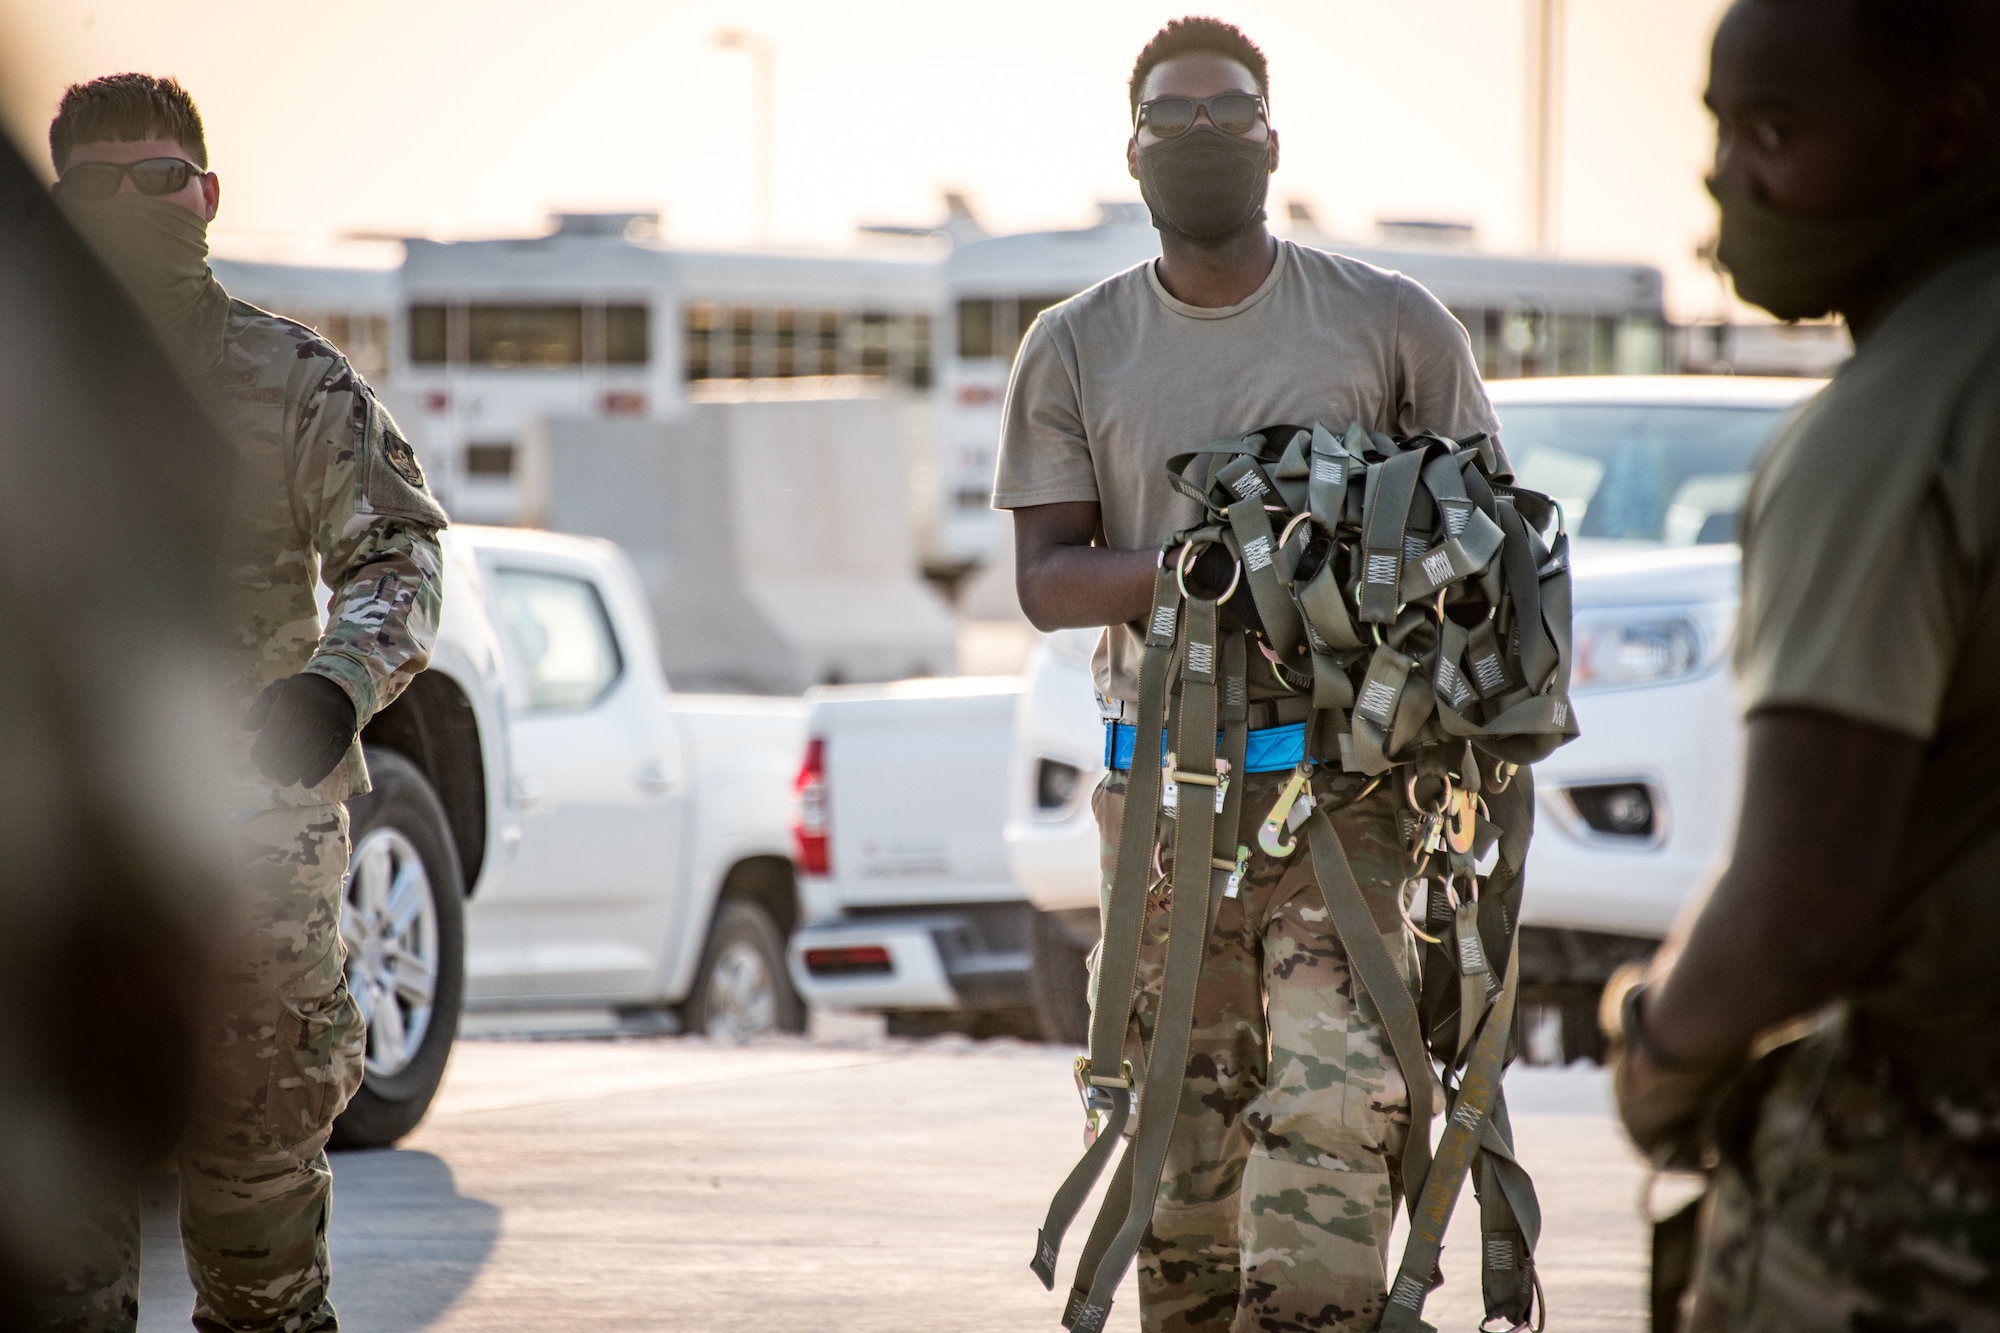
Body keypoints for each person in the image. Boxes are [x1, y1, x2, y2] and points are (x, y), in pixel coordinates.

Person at [995, 18, 1500, 1330]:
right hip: (1167, 805)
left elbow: (1489, 544)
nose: (1204, 142)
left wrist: (1355, 573)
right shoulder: (1076, 344)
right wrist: (1209, 565)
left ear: (1274, 142)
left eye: (1230, 118)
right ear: (1135, 150)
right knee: (1181, 1149)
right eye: (1177, 121)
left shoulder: (1392, 324)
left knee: (1338, 1115)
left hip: (1352, 799)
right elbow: (1048, 579)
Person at [1610, 1, 2000, 1328]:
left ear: (1945, 132)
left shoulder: (1893, 428)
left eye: (1774, 132)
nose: (1729, 177)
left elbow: (1800, 908)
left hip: (1942, 1171)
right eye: (1719, 129)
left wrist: (1658, 1047)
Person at [38, 74, 448, 1333]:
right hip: (47, 880)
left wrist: (339, 683)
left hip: (250, 880)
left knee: (261, 1265)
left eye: (159, 178)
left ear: (207, 194)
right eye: (98, 184)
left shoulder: (289, 381)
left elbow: (400, 554)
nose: (134, 204)